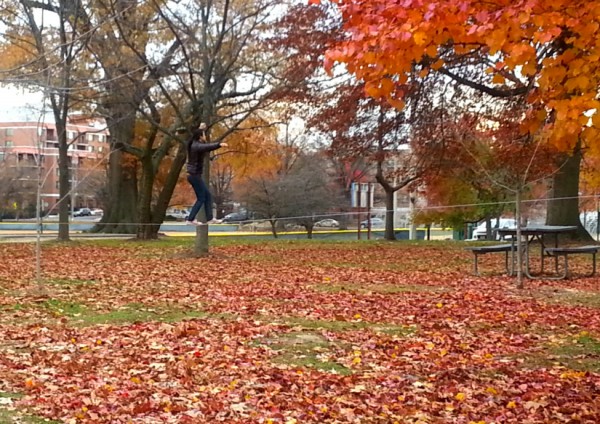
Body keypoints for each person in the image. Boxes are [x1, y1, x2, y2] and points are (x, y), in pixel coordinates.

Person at [185, 123, 227, 226]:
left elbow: (196, 136)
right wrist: (219, 145)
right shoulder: (197, 146)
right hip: (194, 176)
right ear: (200, 137)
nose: (205, 137)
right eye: (203, 135)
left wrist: (201, 128)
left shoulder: (194, 143)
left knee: (207, 195)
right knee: (201, 198)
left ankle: (209, 218)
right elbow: (207, 147)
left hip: (194, 175)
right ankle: (190, 219)